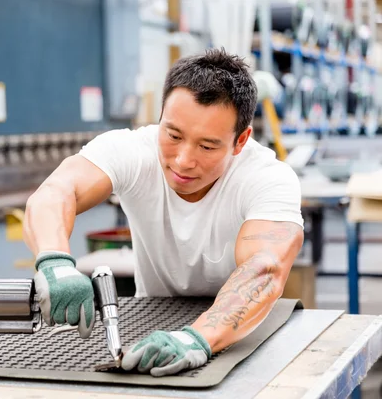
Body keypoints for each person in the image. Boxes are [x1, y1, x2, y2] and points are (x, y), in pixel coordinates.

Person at [23, 48, 304, 377]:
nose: (184, 160)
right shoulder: (132, 150)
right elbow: (55, 192)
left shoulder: (268, 178)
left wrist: (198, 338)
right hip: (150, 316)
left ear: (240, 141)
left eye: (207, 146)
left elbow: (264, 269)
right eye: (173, 135)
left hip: (245, 331)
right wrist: (54, 261)